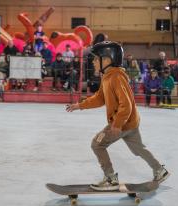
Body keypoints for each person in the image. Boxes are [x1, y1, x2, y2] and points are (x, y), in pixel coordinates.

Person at [66, 41, 169, 191]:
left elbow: (125, 104)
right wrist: (80, 105)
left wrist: (117, 124)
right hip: (131, 122)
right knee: (138, 149)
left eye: (96, 58)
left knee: (97, 144)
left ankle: (110, 179)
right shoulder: (107, 76)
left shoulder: (116, 77)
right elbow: (100, 98)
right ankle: (159, 170)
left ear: (107, 60)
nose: (93, 61)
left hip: (122, 122)